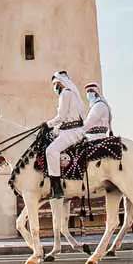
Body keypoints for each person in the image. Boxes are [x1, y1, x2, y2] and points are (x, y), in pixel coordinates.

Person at [43, 70, 86, 198]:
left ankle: (56, 187)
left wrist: (47, 124)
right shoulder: (72, 94)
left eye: (55, 84)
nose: (54, 87)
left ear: (61, 83)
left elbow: (61, 117)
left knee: (50, 151)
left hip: (71, 132)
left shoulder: (65, 95)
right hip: (71, 130)